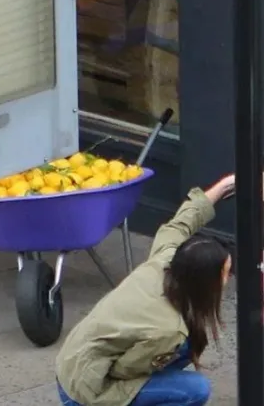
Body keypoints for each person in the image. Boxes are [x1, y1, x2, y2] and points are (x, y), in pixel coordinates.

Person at [55, 174, 235, 406]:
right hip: (85, 391)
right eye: (225, 273)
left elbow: (182, 222)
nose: (228, 278)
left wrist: (224, 186)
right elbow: (125, 370)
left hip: (72, 362)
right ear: (205, 281)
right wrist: (155, 360)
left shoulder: (167, 258)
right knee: (195, 389)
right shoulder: (168, 330)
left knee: (185, 345)